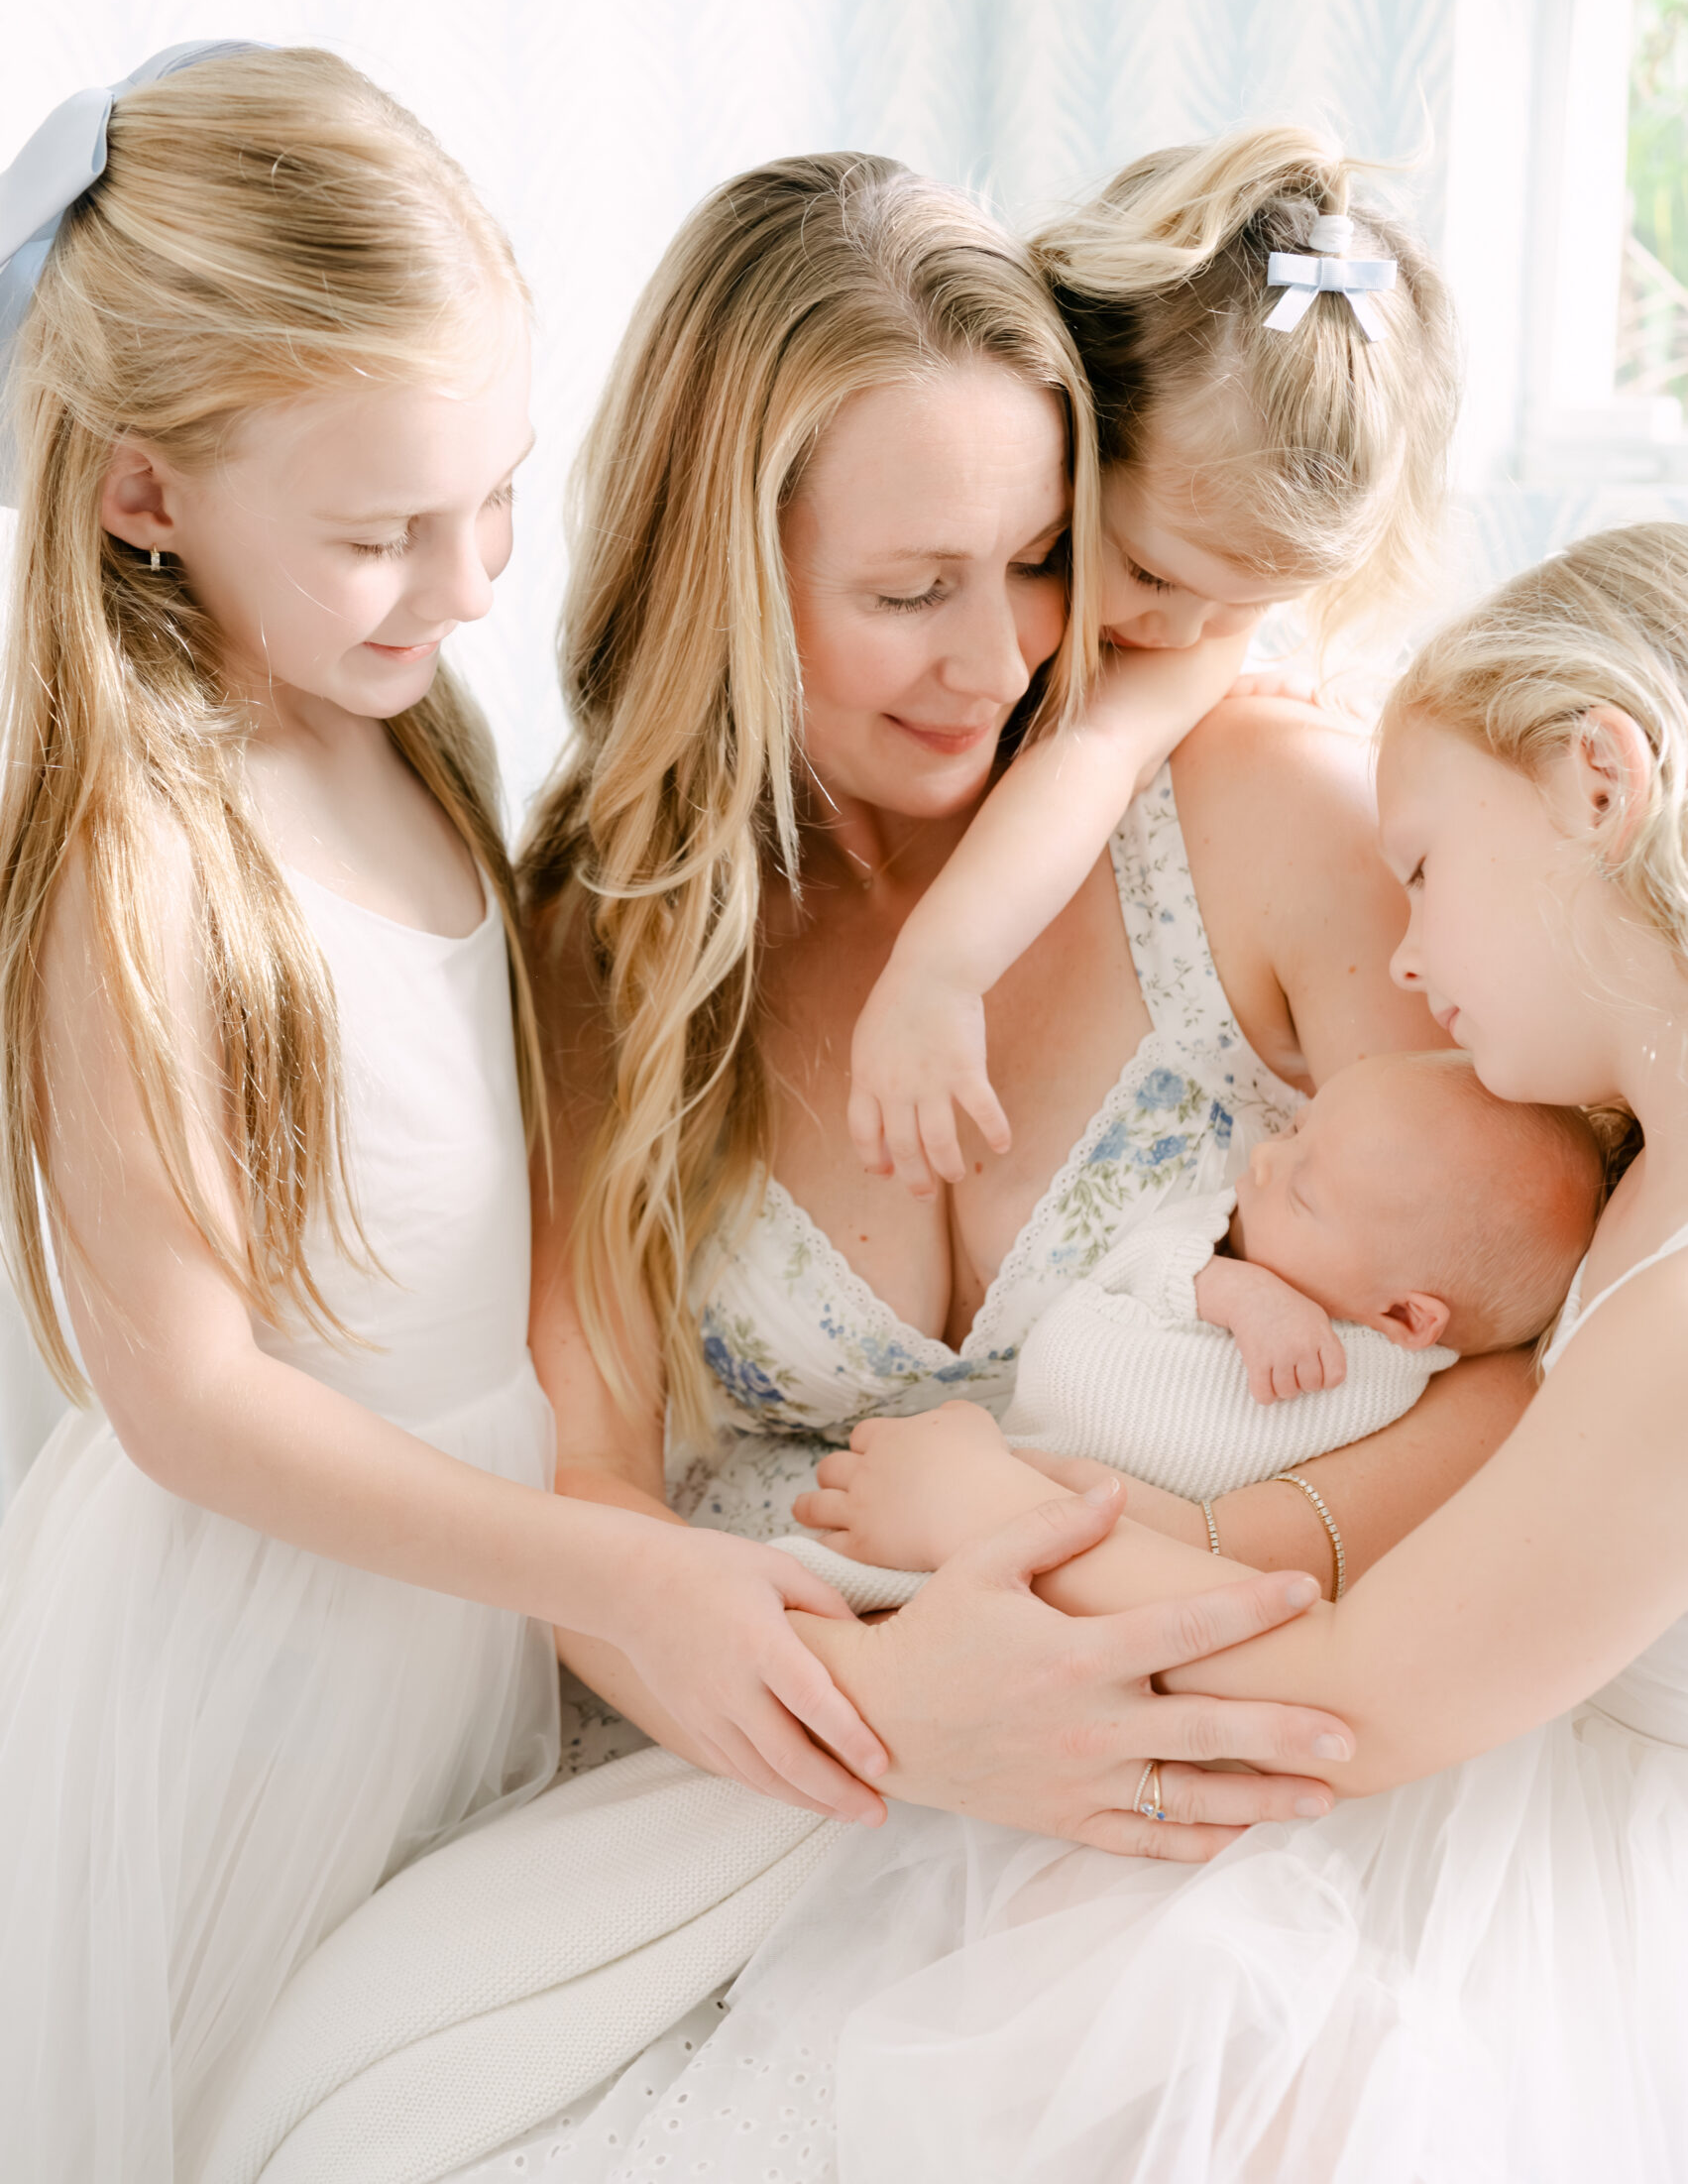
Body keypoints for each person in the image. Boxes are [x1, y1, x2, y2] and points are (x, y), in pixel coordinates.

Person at [0, 48, 886, 2184]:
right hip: (263, 1641)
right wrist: (596, 1559)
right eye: (385, 529)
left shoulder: (405, 729)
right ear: (142, 492)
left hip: (459, 1577)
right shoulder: (134, 845)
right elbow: (189, 1398)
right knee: (236, 2099)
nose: (471, 577)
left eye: (496, 492)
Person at [597, 520, 1688, 2184]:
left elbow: (1343, 1705)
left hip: (1525, 1893)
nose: (1397, 955)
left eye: (1420, 868)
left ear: (1598, 784)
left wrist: (991, 1520)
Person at [846, 149, 1453, 1199]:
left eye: (1247, 602)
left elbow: (1087, 753)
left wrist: (936, 973)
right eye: (1149, 575)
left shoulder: (1187, 664)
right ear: (1074, 426)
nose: (1187, 635)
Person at [796, 1052, 1604, 1588]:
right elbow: (1133, 1267)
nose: (1262, 1159)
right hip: (1022, 1454)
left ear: (1404, 1315)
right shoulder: (1221, 1241)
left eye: (1301, 1192)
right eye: (1293, 1131)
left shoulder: (1404, 1379)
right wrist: (1233, 1291)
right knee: (832, 1579)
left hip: (1105, 1547)